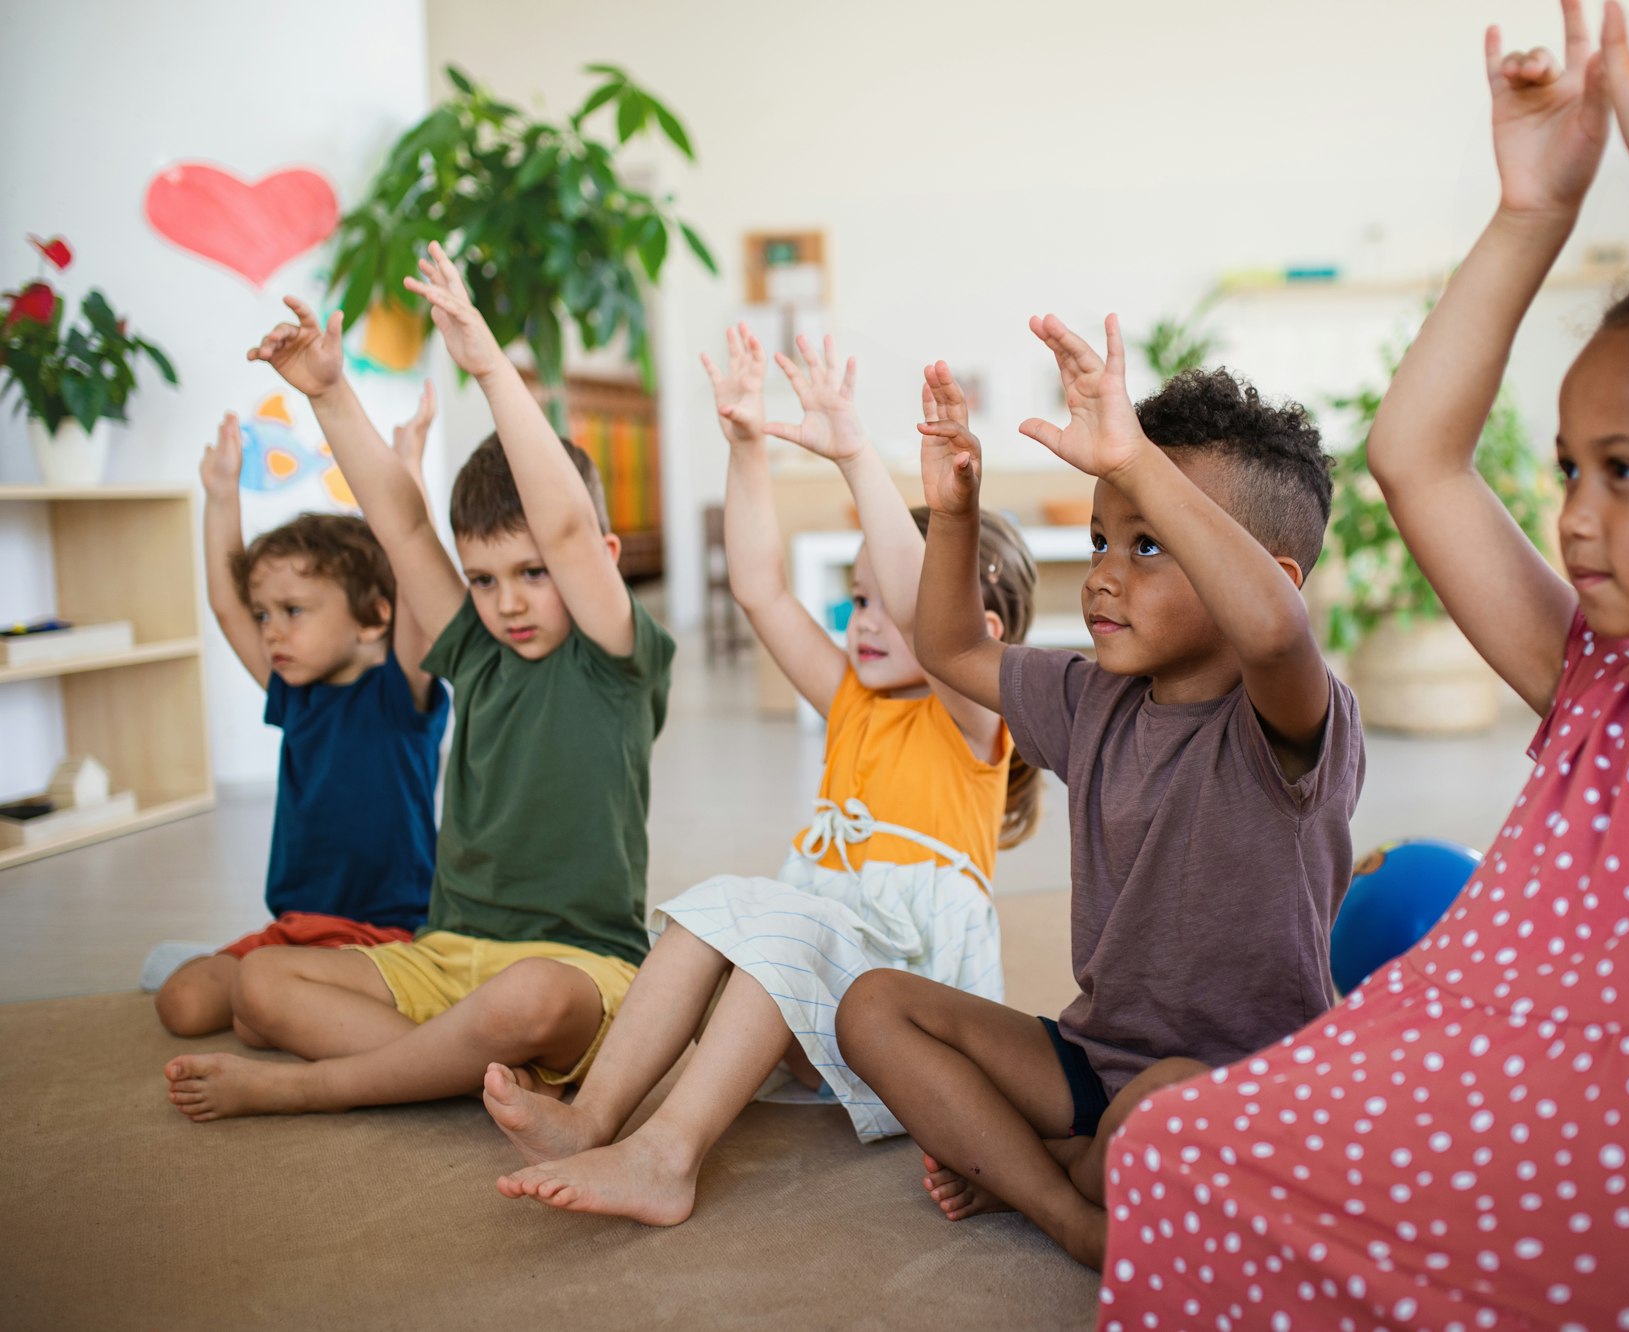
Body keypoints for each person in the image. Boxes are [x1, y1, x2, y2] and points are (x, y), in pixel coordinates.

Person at [1096, 4, 1629, 1328]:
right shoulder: (1599, 683)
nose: (1573, 512)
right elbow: (1417, 459)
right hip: (1517, 1127)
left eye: (1625, 472)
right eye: (1569, 466)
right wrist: (1528, 213)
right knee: (1160, 1137)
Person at [482, 326, 1040, 1226]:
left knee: (783, 930)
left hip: (910, 1012)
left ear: (980, 630)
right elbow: (761, 590)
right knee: (716, 910)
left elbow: (921, 608)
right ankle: (589, 1118)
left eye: (882, 603)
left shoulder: (977, 718)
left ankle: (667, 1157)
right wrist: (746, 450)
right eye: (855, 598)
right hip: (817, 992)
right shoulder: (854, 698)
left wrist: (858, 453)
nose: (866, 617)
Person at [838, 339, 1363, 1270]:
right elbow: (951, 648)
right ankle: (1067, 1204)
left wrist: (1135, 464)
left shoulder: (1288, 721)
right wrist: (955, 513)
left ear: (1266, 576)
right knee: (873, 1008)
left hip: (1236, 1087)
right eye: (1100, 540)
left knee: (1162, 1104)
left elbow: (1278, 638)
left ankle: (1026, 1168)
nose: (1105, 575)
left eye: (1150, 543)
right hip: (1094, 1055)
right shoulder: (1093, 700)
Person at [165, 244, 673, 1119]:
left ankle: (320, 1085)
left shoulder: (615, 655)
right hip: (444, 953)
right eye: (483, 579)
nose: (506, 602)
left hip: (577, 963)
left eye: (534, 573)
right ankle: (464, 1069)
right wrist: (327, 392)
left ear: (599, 562)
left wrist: (487, 365)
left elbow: (562, 523)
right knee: (262, 987)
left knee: (525, 1004)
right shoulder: (476, 649)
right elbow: (399, 524)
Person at [154, 397, 447, 1038]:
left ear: (374, 616)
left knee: (265, 1019)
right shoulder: (296, 696)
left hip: (391, 936)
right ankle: (283, 1004)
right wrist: (221, 494)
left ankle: (302, 1014)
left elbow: (415, 577)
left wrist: (407, 473)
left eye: (293, 611)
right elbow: (228, 606)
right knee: (182, 1003)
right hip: (296, 929)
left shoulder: (401, 693)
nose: (271, 632)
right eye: (266, 614)